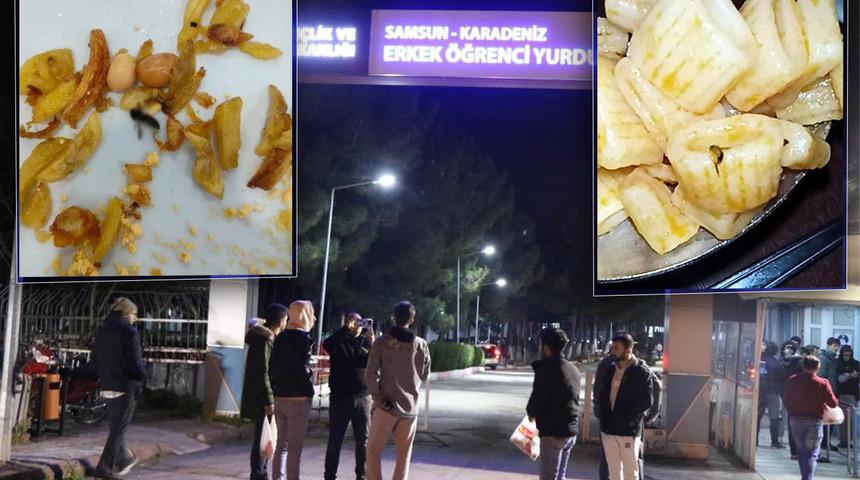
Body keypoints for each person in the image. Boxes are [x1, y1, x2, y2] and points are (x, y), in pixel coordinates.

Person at [365, 301, 431, 480]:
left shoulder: (382, 343)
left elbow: (370, 374)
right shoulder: (421, 345)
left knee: (372, 452)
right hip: (410, 409)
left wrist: (377, 397)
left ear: (393, 317)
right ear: (412, 319)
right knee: (403, 457)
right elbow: (425, 375)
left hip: (386, 406)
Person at [594, 332, 661, 480]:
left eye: (616, 348)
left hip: (628, 432)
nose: (613, 351)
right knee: (613, 472)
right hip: (609, 431)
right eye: (613, 347)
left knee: (631, 473)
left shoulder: (641, 372)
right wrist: (604, 418)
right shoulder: (610, 369)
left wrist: (628, 419)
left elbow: (646, 400)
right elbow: (602, 395)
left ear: (628, 350)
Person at [92, 298, 146, 480]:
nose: (136, 318)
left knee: (116, 428)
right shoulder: (130, 332)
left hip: (106, 386)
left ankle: (124, 458)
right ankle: (104, 469)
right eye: (134, 314)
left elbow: (96, 359)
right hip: (125, 387)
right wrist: (142, 376)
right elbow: (135, 363)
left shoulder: (102, 331)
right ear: (126, 313)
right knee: (117, 431)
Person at [323, 312, 375, 480]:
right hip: (339, 397)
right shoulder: (338, 341)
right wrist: (344, 329)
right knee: (335, 440)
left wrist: (371, 341)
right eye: (353, 322)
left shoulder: (366, 342)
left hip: (362, 397)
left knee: (363, 441)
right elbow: (327, 344)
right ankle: (330, 476)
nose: (357, 325)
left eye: (360, 322)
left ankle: (362, 475)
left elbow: (375, 360)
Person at [269, 300, 316, 480]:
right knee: (295, 447)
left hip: (281, 395)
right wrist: (308, 388)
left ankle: (277, 477)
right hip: (298, 397)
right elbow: (300, 368)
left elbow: (272, 366)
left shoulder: (281, 337)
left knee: (281, 445)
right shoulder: (303, 340)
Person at [526, 327, 581, 480]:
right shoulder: (573, 369)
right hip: (570, 431)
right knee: (560, 476)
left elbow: (539, 396)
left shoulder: (548, 369)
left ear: (546, 347)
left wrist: (531, 413)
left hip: (553, 432)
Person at [241, 304, 288, 480]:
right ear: (280, 321)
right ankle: (259, 474)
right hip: (262, 397)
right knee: (263, 437)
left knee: (265, 436)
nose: (286, 322)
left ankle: (261, 472)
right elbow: (263, 372)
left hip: (257, 394)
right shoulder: (266, 339)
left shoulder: (260, 337)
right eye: (285, 318)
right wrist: (269, 400)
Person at [783, 355, 839, 480]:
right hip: (814, 421)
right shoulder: (822, 384)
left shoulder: (792, 380)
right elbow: (833, 403)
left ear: (803, 366)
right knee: (812, 454)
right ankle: (807, 478)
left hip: (796, 420)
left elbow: (786, 399)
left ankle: (805, 476)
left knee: (801, 451)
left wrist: (792, 411)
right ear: (818, 367)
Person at [757, 341, 786, 448]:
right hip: (774, 392)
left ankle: (755, 440)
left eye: (763, 344)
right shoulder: (776, 362)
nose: (761, 346)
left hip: (762, 392)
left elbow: (762, 377)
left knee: (758, 416)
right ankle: (775, 441)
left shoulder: (761, 361)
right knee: (774, 417)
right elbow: (781, 378)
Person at [818, 338, 841, 450]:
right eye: (834, 346)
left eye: (838, 346)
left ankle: (826, 442)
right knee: (827, 420)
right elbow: (821, 376)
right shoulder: (824, 358)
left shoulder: (833, 359)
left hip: (832, 393)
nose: (837, 348)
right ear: (828, 345)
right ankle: (824, 442)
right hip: (826, 394)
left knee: (830, 419)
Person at [836, 345, 859, 448]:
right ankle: (843, 440)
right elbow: (839, 379)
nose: (846, 357)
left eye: (848, 355)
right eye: (845, 355)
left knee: (851, 420)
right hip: (841, 394)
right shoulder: (838, 363)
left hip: (852, 394)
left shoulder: (856, 364)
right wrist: (849, 376)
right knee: (843, 420)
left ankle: (848, 440)